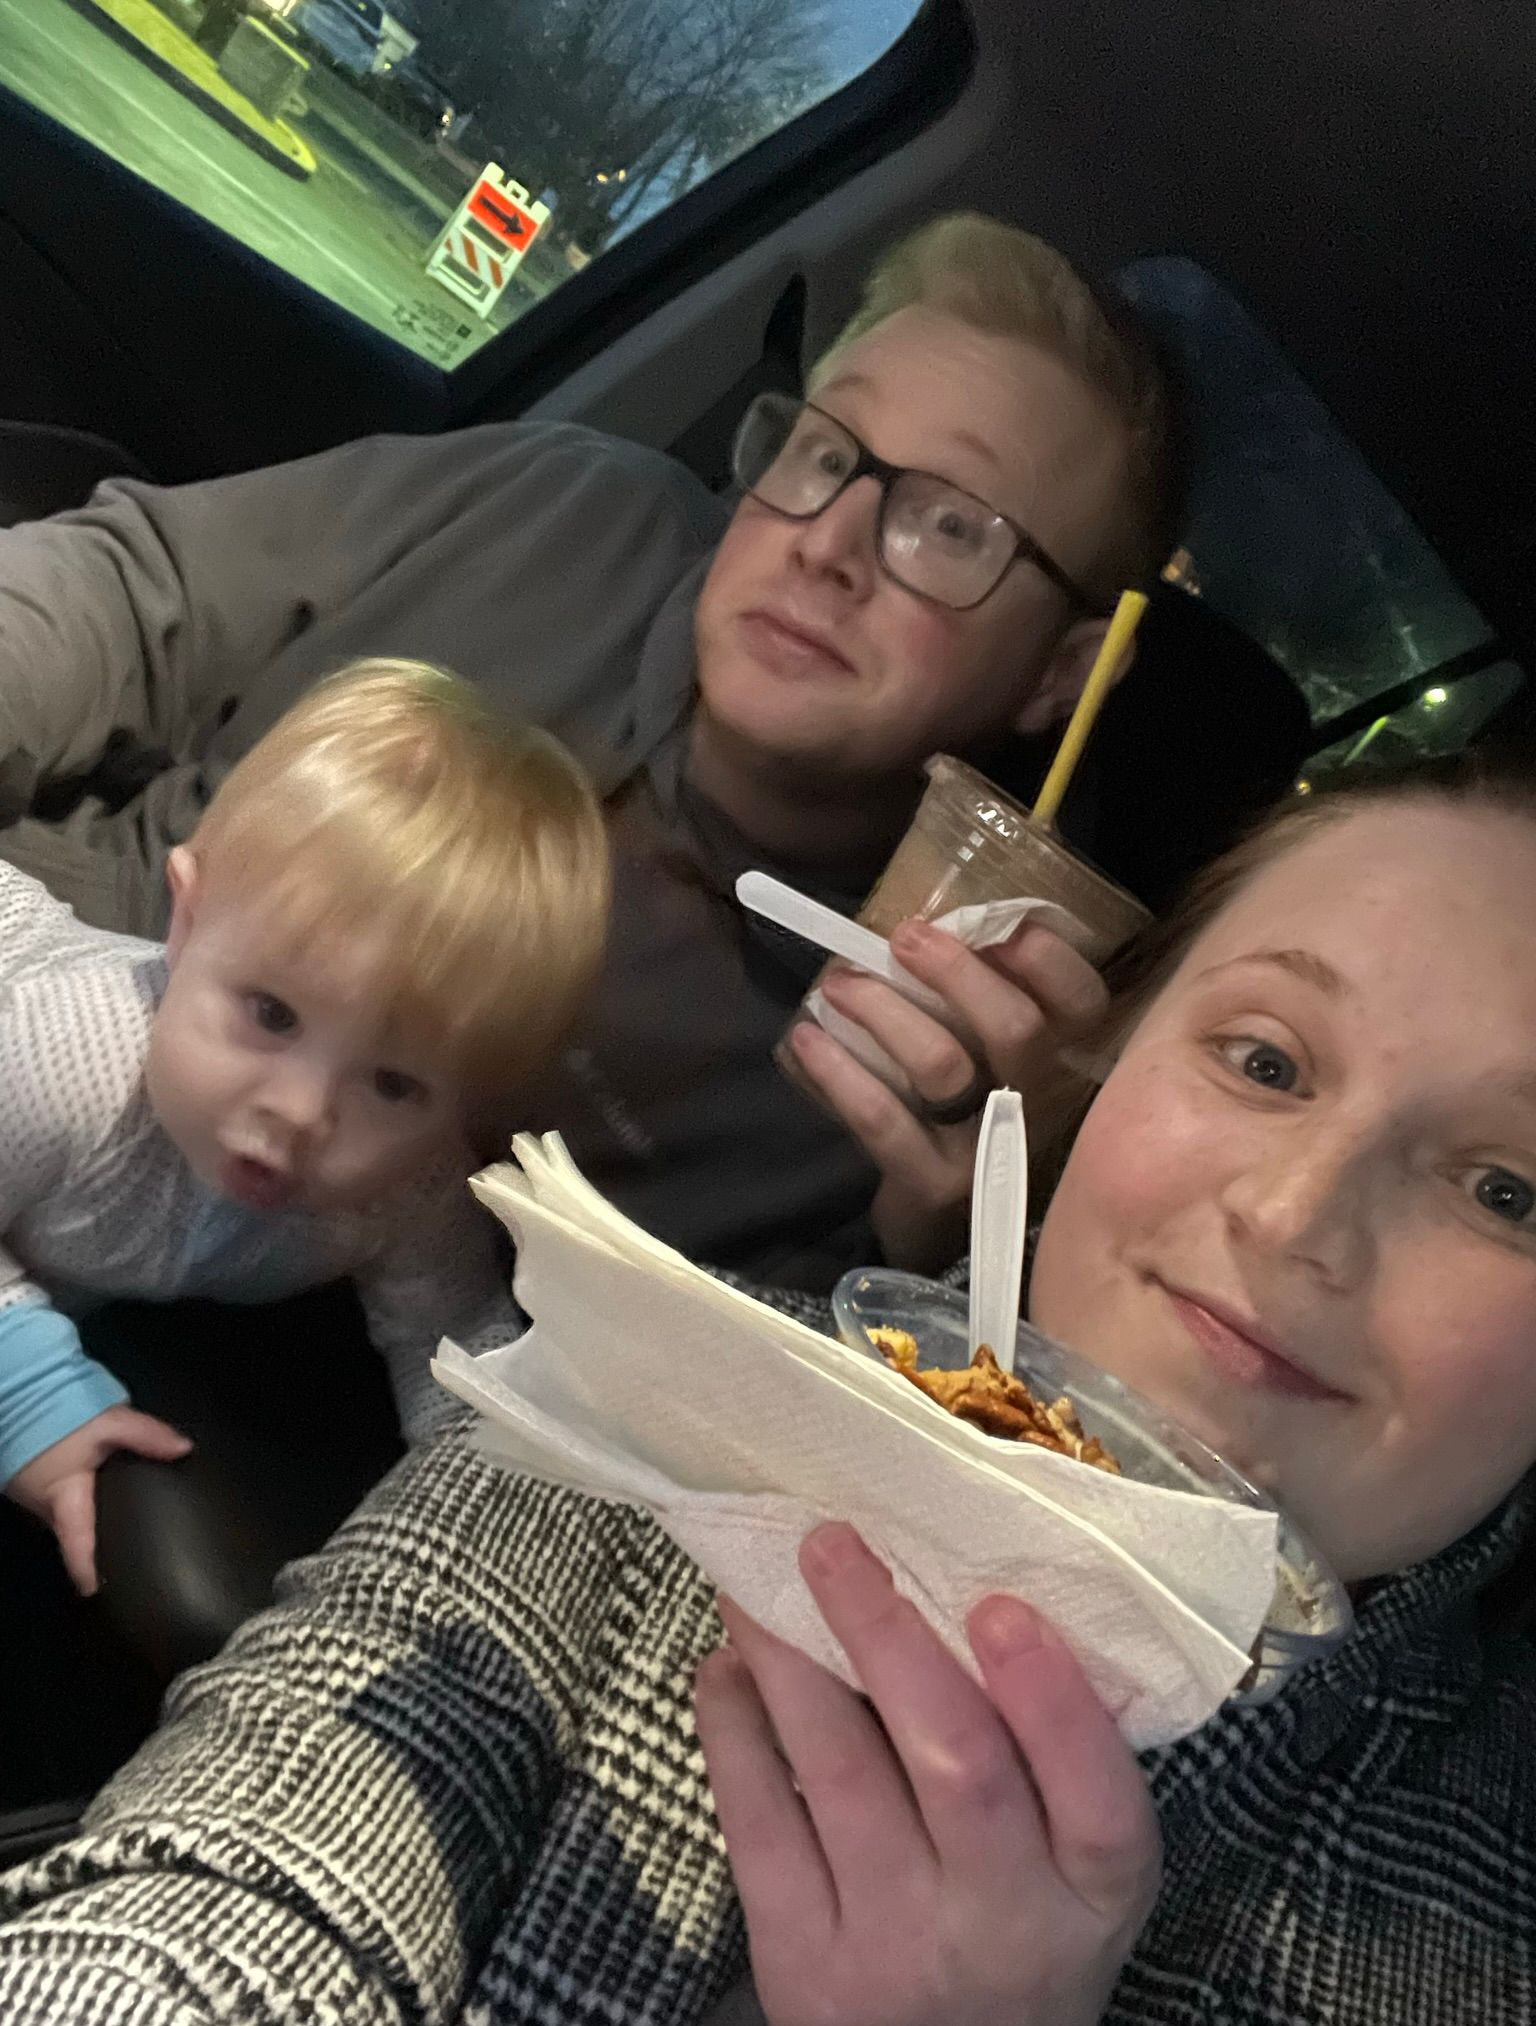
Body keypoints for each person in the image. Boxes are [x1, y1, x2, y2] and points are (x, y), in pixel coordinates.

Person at [2, 754, 1533, 2026]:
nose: (1295, 1216)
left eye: (1508, 1190)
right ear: (1105, 1074)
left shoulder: (1477, 1933)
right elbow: (224, 1896)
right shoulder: (665, 1416)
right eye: (1265, 1060)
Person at [0, 214, 1182, 1283]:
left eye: (951, 525)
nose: (827, 543)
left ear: (1063, 674)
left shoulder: (971, 1041)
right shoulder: (569, 510)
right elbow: (132, 592)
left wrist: (933, 1247)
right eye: (828, 456)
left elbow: (725, 1387)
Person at [0, 658, 607, 1595]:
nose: (303, 1113)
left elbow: (453, 1348)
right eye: (273, 1015)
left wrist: (494, 1524)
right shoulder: (68, 1060)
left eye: (395, 1083)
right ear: (186, 922)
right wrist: (29, 1393)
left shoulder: (409, 1186)